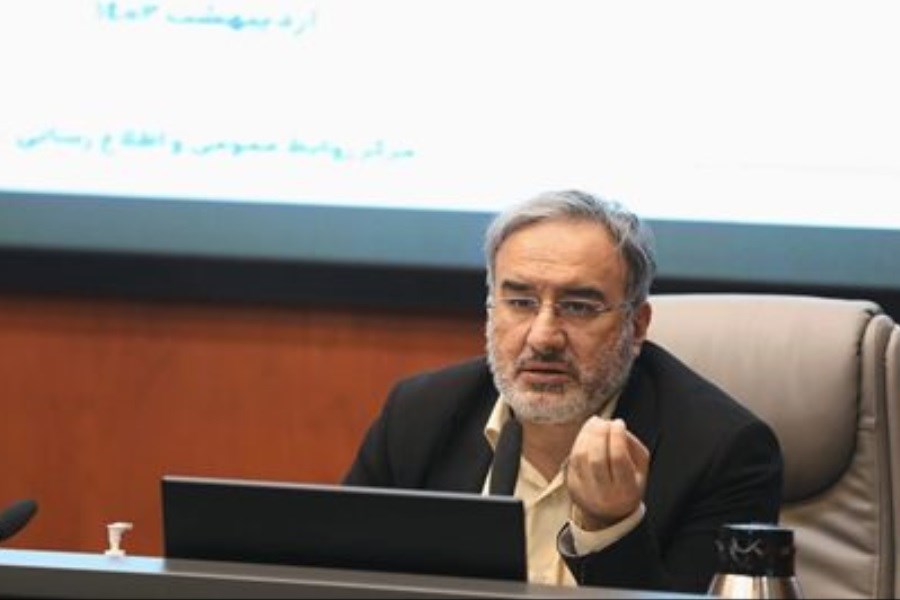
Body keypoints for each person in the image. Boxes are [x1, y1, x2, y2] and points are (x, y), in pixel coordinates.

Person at [343, 189, 783, 593]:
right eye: (521, 303)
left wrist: (610, 528)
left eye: (578, 307)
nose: (543, 337)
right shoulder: (420, 415)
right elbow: (335, 577)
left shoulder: (723, 451)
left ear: (636, 326)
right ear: (491, 309)